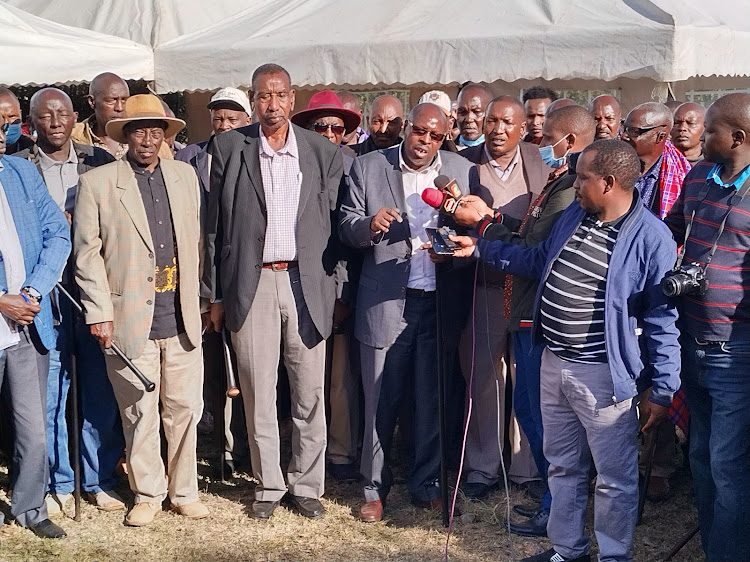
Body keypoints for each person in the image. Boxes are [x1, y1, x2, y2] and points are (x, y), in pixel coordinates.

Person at [452, 139, 680, 562]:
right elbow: (538, 260)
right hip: (553, 360)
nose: (574, 184)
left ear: (609, 183)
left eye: (583, 178)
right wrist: (482, 247)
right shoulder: (576, 214)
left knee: (614, 479)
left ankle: (613, 556)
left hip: (604, 378)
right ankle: (568, 550)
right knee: (562, 465)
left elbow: (662, 320)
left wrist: (663, 389)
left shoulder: (652, 239)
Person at [204, 63, 343, 521]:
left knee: (309, 393)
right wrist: (215, 295)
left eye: (280, 95)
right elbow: (212, 229)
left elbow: (336, 224)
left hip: (307, 282)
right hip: (252, 282)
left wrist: (335, 287)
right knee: (258, 391)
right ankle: (268, 485)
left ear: (292, 98)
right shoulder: (228, 147)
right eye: (263, 96)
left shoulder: (321, 151)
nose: (272, 105)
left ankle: (306, 484)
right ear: (253, 99)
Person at [453, 105, 596, 537]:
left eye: (546, 135)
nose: (539, 141)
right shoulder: (561, 180)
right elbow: (529, 233)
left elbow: (535, 255)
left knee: (540, 416)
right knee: (529, 409)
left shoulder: (571, 188)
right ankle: (555, 500)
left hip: (537, 314)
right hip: (525, 314)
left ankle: (557, 506)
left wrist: (482, 233)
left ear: (569, 142)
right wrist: (494, 221)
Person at [339, 103, 477, 522]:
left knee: (430, 397)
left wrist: (452, 253)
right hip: (385, 304)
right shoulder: (368, 167)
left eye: (435, 136)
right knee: (380, 399)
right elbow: (345, 225)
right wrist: (370, 225)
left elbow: (471, 227)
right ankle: (374, 488)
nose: (425, 142)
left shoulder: (460, 169)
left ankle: (427, 482)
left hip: (436, 301)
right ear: (406, 129)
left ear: (444, 136)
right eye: (419, 132)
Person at [74, 94, 208, 527]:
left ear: (166, 136)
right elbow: (87, 253)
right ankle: (148, 492)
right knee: (139, 410)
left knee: (185, 407)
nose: (148, 139)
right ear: (126, 135)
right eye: (139, 131)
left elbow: (198, 243)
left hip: (182, 314)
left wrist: (203, 302)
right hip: (129, 316)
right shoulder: (99, 183)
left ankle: (184, 490)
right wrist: (98, 310)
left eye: (156, 131)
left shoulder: (185, 176)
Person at [16, 88, 124, 515]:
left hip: (92, 291)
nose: (55, 122)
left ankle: (97, 478)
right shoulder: (20, 167)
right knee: (50, 391)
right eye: (46, 116)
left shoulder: (98, 162)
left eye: (63, 114)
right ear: (33, 122)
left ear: (76, 117)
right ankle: (58, 480)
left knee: (98, 389)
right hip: (44, 293)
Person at [664, 92, 750, 561]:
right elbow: (669, 231)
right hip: (688, 341)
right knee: (700, 457)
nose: (701, 135)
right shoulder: (697, 177)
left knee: (729, 464)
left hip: (736, 351)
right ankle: (715, 544)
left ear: (737, 138)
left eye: (711, 128)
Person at [458, 95, 552, 500]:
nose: (496, 129)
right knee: (483, 377)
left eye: (506, 123)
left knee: (525, 380)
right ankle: (482, 465)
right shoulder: (464, 163)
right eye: (491, 120)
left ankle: (526, 467)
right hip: (484, 286)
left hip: (528, 292)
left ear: (521, 129)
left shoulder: (540, 164)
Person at [175, 86, 252, 475]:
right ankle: (217, 448)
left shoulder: (254, 154)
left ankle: (241, 449)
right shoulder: (189, 157)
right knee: (210, 366)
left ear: (247, 121)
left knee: (242, 367)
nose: (223, 125)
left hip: (240, 276)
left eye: (232, 118)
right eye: (218, 118)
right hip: (197, 277)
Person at [0, 121, 71, 539]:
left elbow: (57, 233)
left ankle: (30, 507)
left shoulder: (23, 172)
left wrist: (32, 289)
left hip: (27, 319)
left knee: (33, 428)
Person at [291, 90, 363, 482]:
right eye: (322, 126)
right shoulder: (292, 163)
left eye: (339, 127)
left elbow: (347, 237)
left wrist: (344, 292)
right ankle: (303, 451)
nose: (331, 133)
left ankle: (338, 451)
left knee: (338, 377)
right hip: (297, 281)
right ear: (307, 128)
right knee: (302, 376)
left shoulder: (355, 167)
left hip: (339, 284)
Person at [622, 101, 690, 502]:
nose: (625, 138)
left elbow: (675, 236)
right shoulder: (626, 168)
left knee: (657, 374)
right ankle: (626, 461)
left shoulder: (681, 175)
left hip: (661, 287)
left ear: (660, 137)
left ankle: (659, 464)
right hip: (622, 286)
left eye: (633, 131)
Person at [71, 72, 172, 160]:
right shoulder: (73, 138)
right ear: (92, 101)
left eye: (124, 100)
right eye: (111, 100)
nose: (119, 107)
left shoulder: (157, 147)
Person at [455, 83, 493, 149]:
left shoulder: (500, 155)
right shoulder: (443, 152)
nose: (469, 119)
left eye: (477, 112)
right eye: (462, 112)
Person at [0, 88, 35, 154]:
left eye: (12, 116)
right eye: (0, 117)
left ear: (20, 115)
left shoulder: (31, 148)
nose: (6, 122)